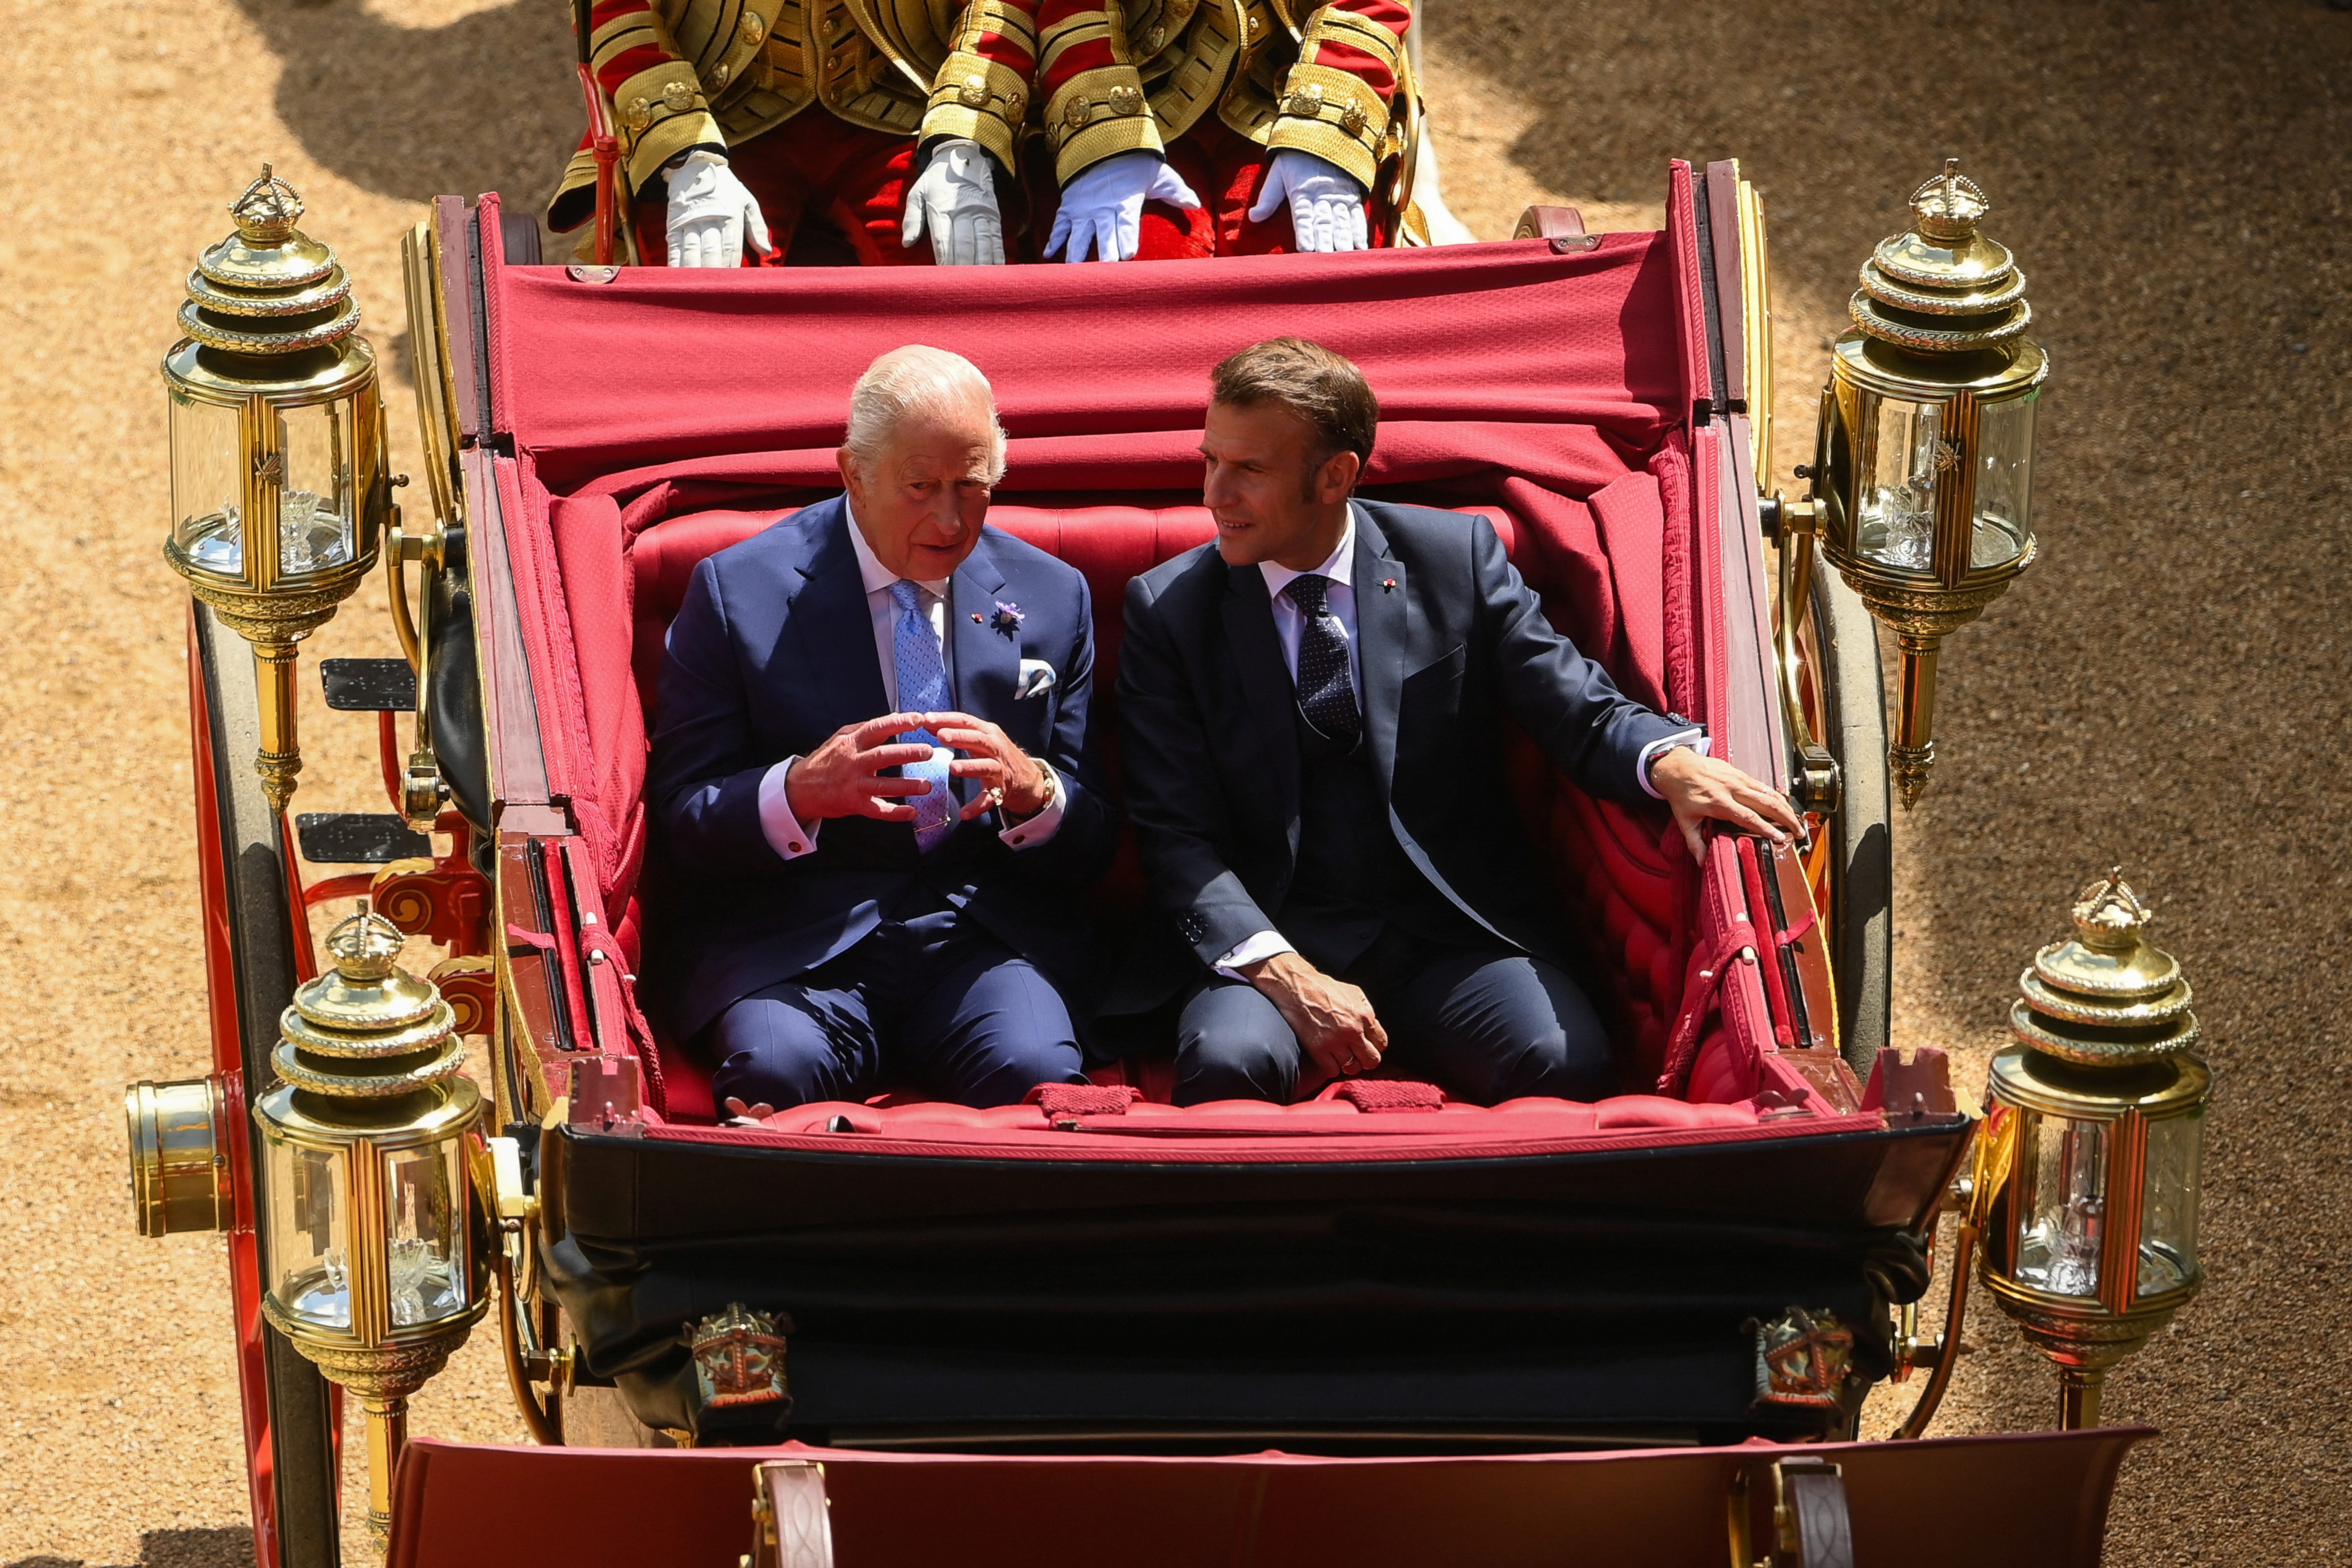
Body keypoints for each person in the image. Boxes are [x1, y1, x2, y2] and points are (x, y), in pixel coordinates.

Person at [1115, 338, 1804, 1106]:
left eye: (1248, 470)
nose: (1214, 493)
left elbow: (1570, 701)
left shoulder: (1454, 559)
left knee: (1561, 1061)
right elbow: (1175, 837)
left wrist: (1666, 763)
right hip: (1272, 939)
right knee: (1225, 1065)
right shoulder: (1167, 610)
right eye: (1210, 460)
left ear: (1335, 476)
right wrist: (1285, 972)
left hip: (1446, 933)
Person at [644, 346, 1114, 1114]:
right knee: (774, 1073)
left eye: (972, 487)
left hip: (983, 932)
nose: (950, 519)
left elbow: (1094, 833)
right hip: (796, 939)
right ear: (853, 472)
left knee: (1036, 1079)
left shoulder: (1053, 595)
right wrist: (799, 791)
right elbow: (682, 820)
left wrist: (1035, 792)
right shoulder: (739, 591)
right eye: (921, 487)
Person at [548, 1, 1042, 268]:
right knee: (702, 294)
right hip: (723, 118)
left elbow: (996, 7)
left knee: (957, 280)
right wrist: (684, 152)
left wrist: (963, 135)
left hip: (901, 110)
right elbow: (621, 12)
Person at [1033, 0, 1416, 262]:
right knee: (1127, 270)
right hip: (1134, 90)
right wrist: (1105, 142)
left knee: (1309, 272)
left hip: (1291, 87)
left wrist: (1325, 135)